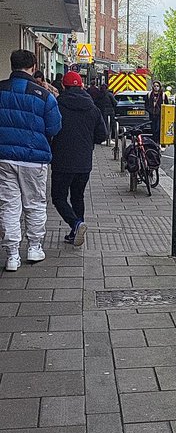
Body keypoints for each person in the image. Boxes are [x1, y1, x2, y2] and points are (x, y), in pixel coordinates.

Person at [0, 49, 62, 270]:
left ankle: (12, 255)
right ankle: (34, 247)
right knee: (35, 204)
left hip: (4, 158)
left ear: (11, 64)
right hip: (34, 159)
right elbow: (55, 126)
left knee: (9, 206)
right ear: (34, 67)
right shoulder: (43, 95)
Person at [50, 71, 107, 246]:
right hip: (84, 162)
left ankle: (76, 224)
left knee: (58, 197)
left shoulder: (57, 106)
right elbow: (102, 136)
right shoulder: (93, 108)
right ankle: (76, 229)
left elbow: (50, 129)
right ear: (82, 86)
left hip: (62, 161)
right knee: (78, 196)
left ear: (64, 86)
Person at [146, 80, 167, 144]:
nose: (156, 87)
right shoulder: (149, 94)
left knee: (158, 129)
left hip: (160, 115)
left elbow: (166, 104)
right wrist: (150, 110)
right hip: (152, 115)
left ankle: (158, 142)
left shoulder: (163, 95)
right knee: (153, 129)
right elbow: (146, 104)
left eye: (157, 86)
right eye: (155, 86)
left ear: (160, 87)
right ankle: (154, 142)